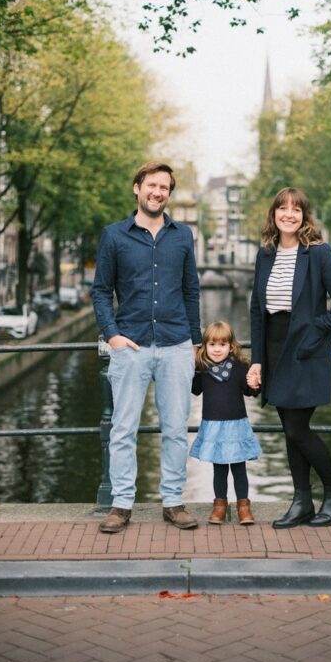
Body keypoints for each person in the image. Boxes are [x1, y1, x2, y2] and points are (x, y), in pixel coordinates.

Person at [92, 161, 201, 533]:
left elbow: (191, 290)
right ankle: (121, 504)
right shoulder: (114, 236)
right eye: (152, 185)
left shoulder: (183, 236)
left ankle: (173, 501)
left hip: (175, 344)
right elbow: (101, 290)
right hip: (131, 345)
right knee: (123, 429)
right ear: (137, 188)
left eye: (165, 188)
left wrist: (195, 342)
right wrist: (112, 334)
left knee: (174, 428)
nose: (158, 192)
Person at [247, 187, 331, 529]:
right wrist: (256, 358)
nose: (289, 214)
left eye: (296, 209)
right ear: (274, 214)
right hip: (274, 348)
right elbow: (256, 309)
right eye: (283, 208)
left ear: (305, 215)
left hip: (306, 349)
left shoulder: (319, 253)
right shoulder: (265, 253)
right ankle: (302, 501)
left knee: (298, 429)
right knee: (290, 430)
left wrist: (316, 329)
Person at [190, 320, 262, 525]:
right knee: (219, 469)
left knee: (239, 467)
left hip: (236, 424)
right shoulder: (202, 368)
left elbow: (250, 391)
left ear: (231, 346)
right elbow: (195, 389)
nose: (217, 349)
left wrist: (255, 384)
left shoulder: (240, 367)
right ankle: (220, 505)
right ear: (205, 347)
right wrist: (192, 366)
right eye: (212, 345)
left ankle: (243, 506)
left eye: (222, 345)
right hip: (213, 425)